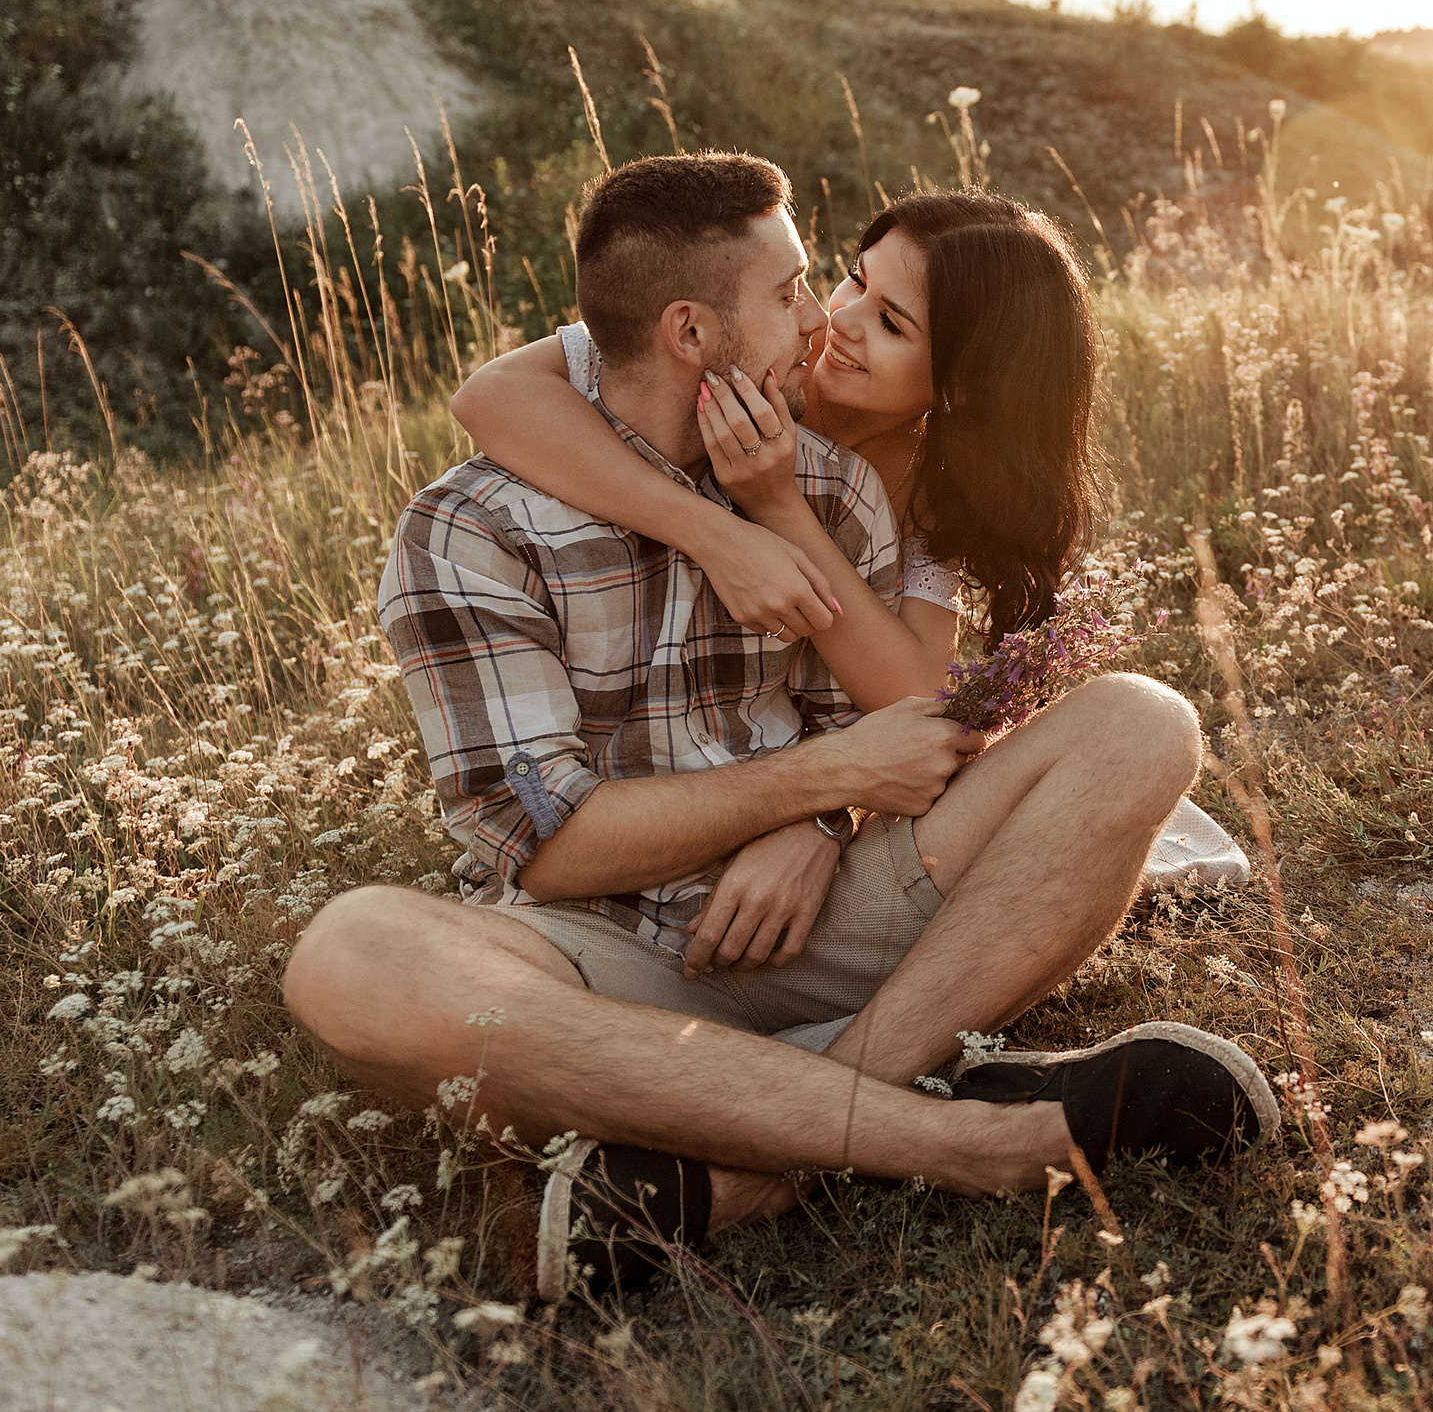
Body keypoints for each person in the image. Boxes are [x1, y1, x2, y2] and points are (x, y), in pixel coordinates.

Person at [283, 154, 1273, 1303]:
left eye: (878, 314)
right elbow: (542, 836)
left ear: (952, 386)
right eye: (821, 284)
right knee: (351, 954)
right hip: (605, 954)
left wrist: (821, 797)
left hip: (826, 905)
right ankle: (961, 1132)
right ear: (694, 330)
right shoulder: (476, 522)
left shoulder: (843, 490)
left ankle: (759, 1156)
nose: (827, 322)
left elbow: (901, 716)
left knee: (1144, 722)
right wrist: (732, 563)